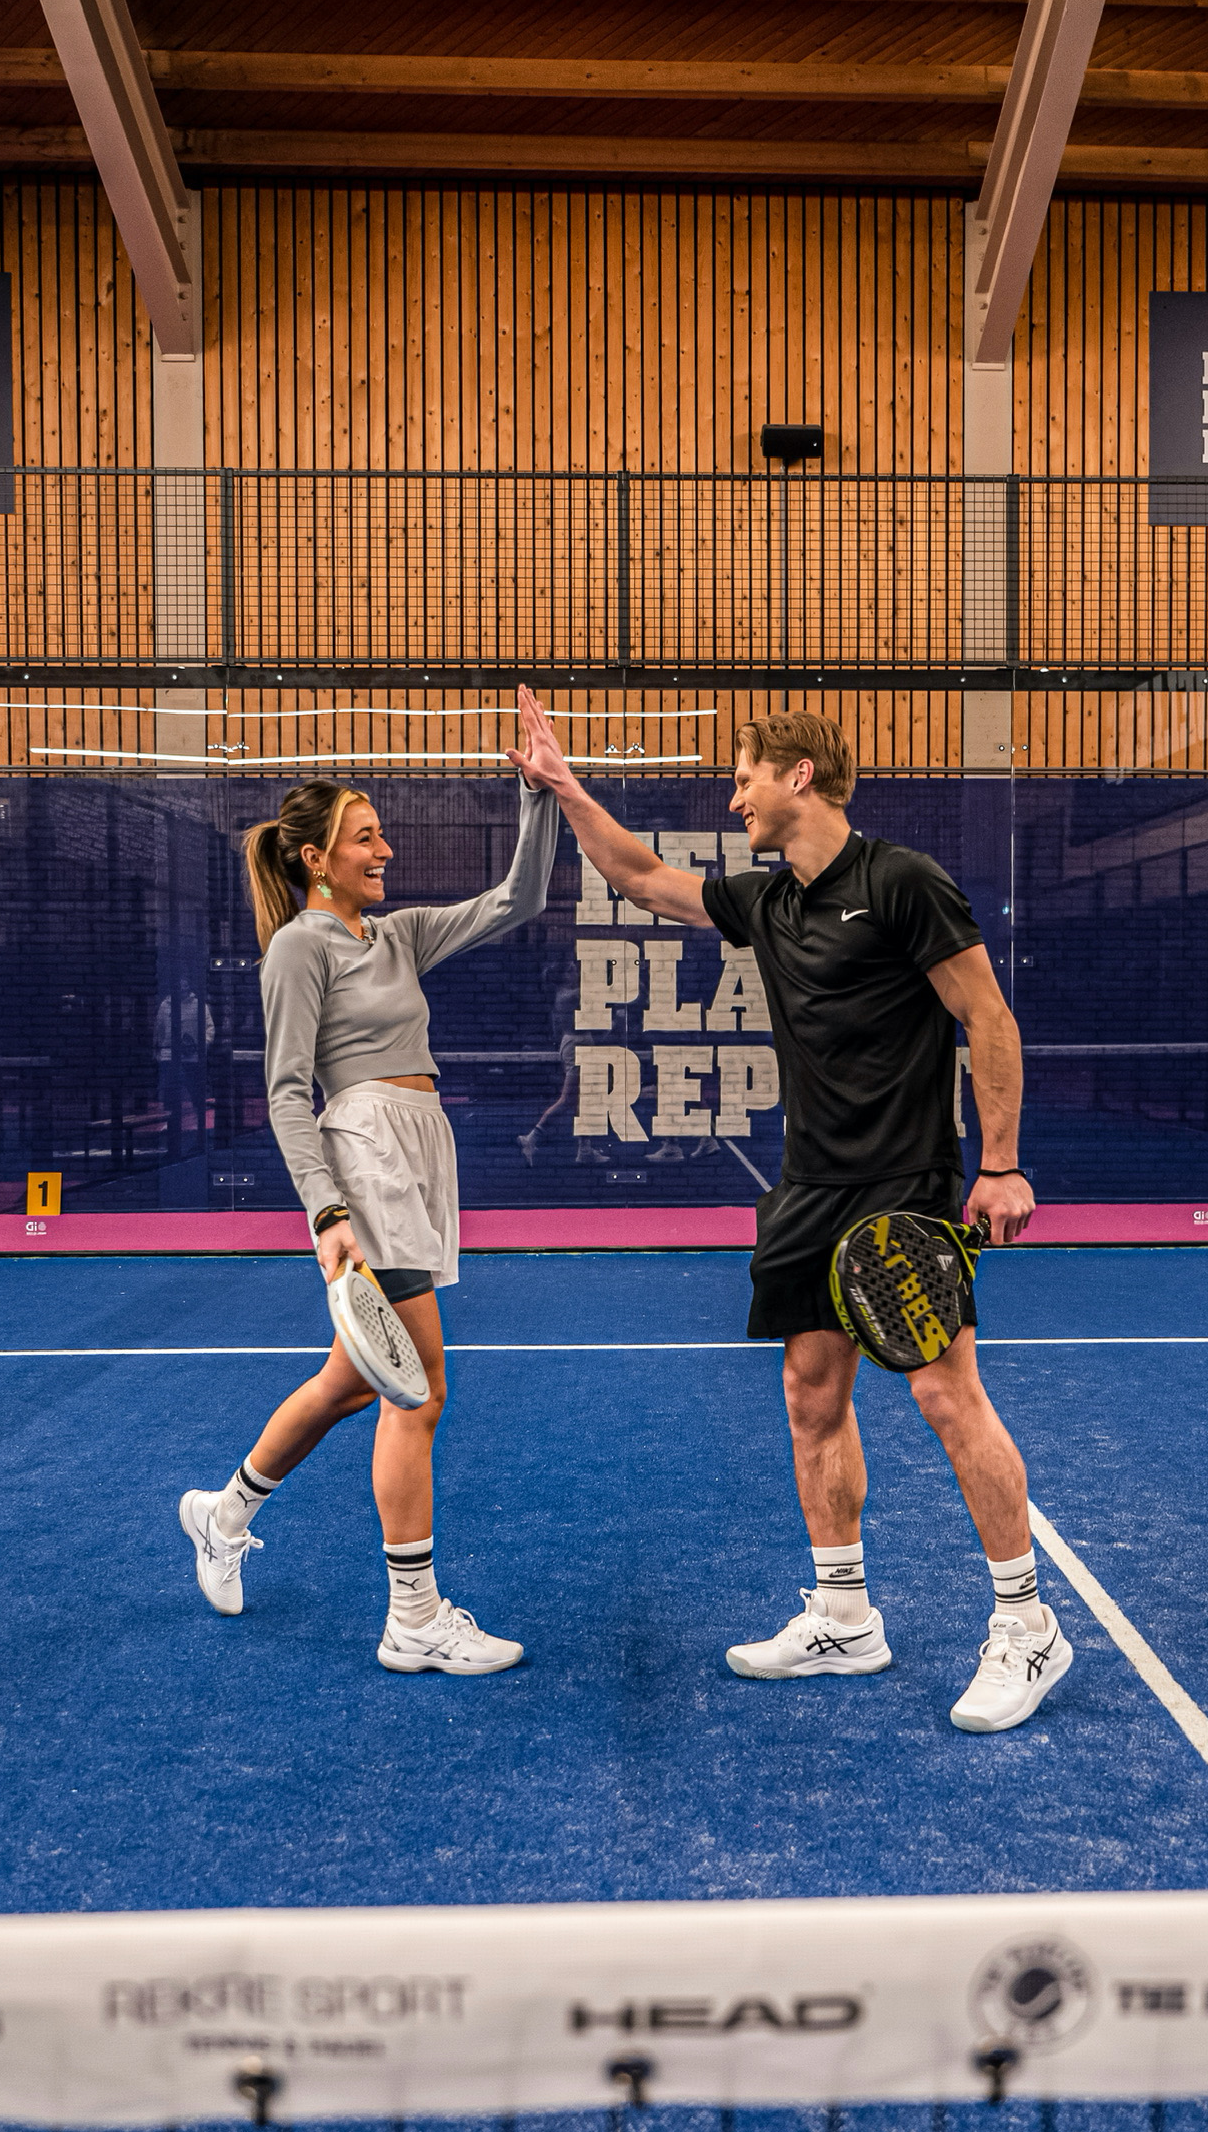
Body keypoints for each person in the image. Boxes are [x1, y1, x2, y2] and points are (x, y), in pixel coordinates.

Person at [508, 689, 1069, 1733]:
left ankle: (1027, 1625)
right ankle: (846, 1616)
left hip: (904, 1183)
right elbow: (637, 874)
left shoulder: (902, 882)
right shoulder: (771, 904)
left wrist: (1001, 1164)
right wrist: (566, 785)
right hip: (807, 1189)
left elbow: (986, 1012)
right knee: (812, 1392)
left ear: (797, 776)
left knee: (949, 1398)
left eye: (745, 777)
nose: (735, 797)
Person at [178, 764, 558, 1674]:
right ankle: (413, 1619)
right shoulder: (299, 947)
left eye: (382, 834)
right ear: (316, 859)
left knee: (355, 1381)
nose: (385, 849)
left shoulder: (396, 934)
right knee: (419, 1390)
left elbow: (522, 896)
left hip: (421, 1148)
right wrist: (327, 1210)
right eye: (365, 837)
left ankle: (223, 1513)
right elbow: (284, 1094)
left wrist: (539, 792)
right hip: (366, 1153)